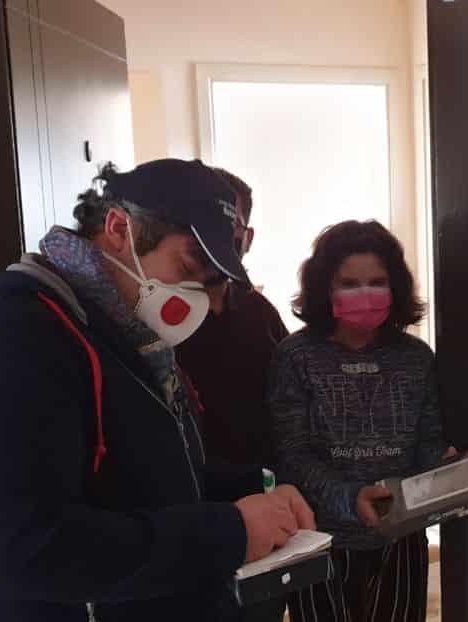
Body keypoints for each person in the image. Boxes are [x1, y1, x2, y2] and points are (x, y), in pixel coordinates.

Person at [0, 159, 315, 622]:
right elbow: (29, 549)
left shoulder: (126, 334)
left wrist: (260, 487)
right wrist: (231, 532)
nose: (195, 295)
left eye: (208, 282)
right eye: (188, 264)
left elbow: (147, 480)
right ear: (118, 229)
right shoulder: (11, 338)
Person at [270, 220, 448, 622]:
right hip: (317, 539)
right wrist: (351, 498)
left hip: (401, 537)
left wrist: (443, 475)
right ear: (324, 287)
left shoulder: (416, 357)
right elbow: (293, 455)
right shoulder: (295, 356)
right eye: (349, 283)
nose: (364, 293)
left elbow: (428, 441)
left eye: (377, 282)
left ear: (395, 286)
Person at [175, 168, 290, 622]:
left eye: (230, 225)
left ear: (247, 237)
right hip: (189, 511)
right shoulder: (160, 317)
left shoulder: (260, 312)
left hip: (263, 500)